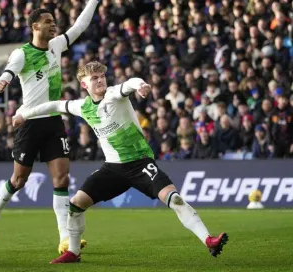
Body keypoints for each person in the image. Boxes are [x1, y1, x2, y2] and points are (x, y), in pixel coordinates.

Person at [13, 61, 228, 264]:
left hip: (140, 163)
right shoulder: (83, 107)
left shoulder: (114, 95)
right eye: (94, 77)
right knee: (76, 204)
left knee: (175, 199)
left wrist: (140, 85)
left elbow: (130, 83)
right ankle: (73, 252)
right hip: (113, 169)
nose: (100, 80)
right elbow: (55, 105)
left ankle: (208, 240)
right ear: (84, 84)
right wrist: (24, 114)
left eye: (102, 76)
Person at [0, 0, 100, 254]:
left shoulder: (56, 45)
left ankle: (64, 238)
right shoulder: (22, 53)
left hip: (54, 120)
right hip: (29, 123)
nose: (53, 25)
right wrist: (1, 83)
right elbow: (8, 73)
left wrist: (93, 2)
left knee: (61, 178)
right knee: (19, 179)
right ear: (35, 26)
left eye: (54, 22)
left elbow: (80, 26)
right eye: (48, 22)